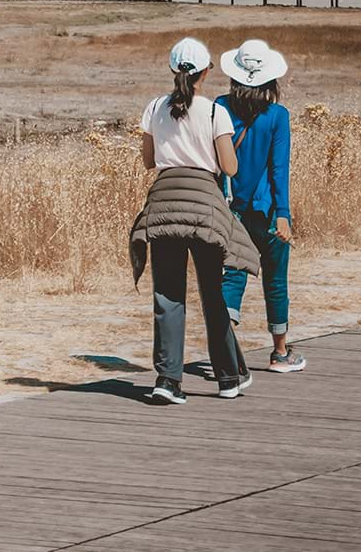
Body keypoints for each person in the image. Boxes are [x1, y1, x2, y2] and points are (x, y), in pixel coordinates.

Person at [130, 38, 260, 404]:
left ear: (174, 70)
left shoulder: (154, 108)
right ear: (206, 71)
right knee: (212, 292)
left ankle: (168, 380)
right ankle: (228, 377)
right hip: (204, 205)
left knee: (168, 293)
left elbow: (149, 161)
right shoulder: (215, 113)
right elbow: (229, 167)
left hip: (165, 202)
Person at [218, 40, 307, 373]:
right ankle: (280, 353)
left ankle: (223, 353)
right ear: (270, 80)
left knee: (232, 276)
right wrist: (283, 214)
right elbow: (278, 169)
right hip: (268, 210)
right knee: (275, 280)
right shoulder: (277, 116)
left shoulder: (220, 107)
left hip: (231, 210)